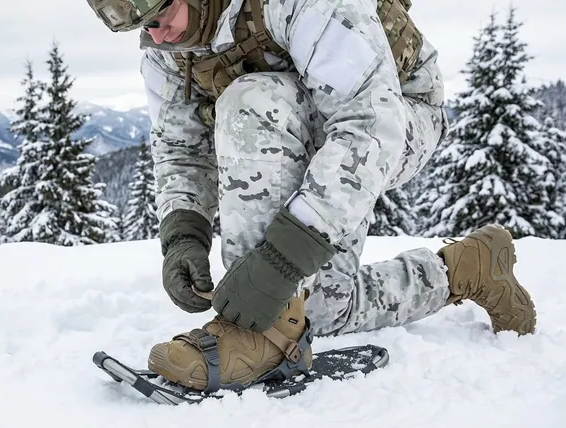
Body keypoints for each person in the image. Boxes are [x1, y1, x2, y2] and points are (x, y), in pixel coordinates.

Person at [86, 0, 537, 393]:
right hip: (306, 119)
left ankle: (257, 334)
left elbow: (369, 125)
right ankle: (467, 268)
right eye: (141, 26)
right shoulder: (170, 43)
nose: (155, 34)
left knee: (252, 100)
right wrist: (184, 234)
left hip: (398, 116)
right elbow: (179, 147)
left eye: (162, 14)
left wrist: (281, 261)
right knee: (318, 308)